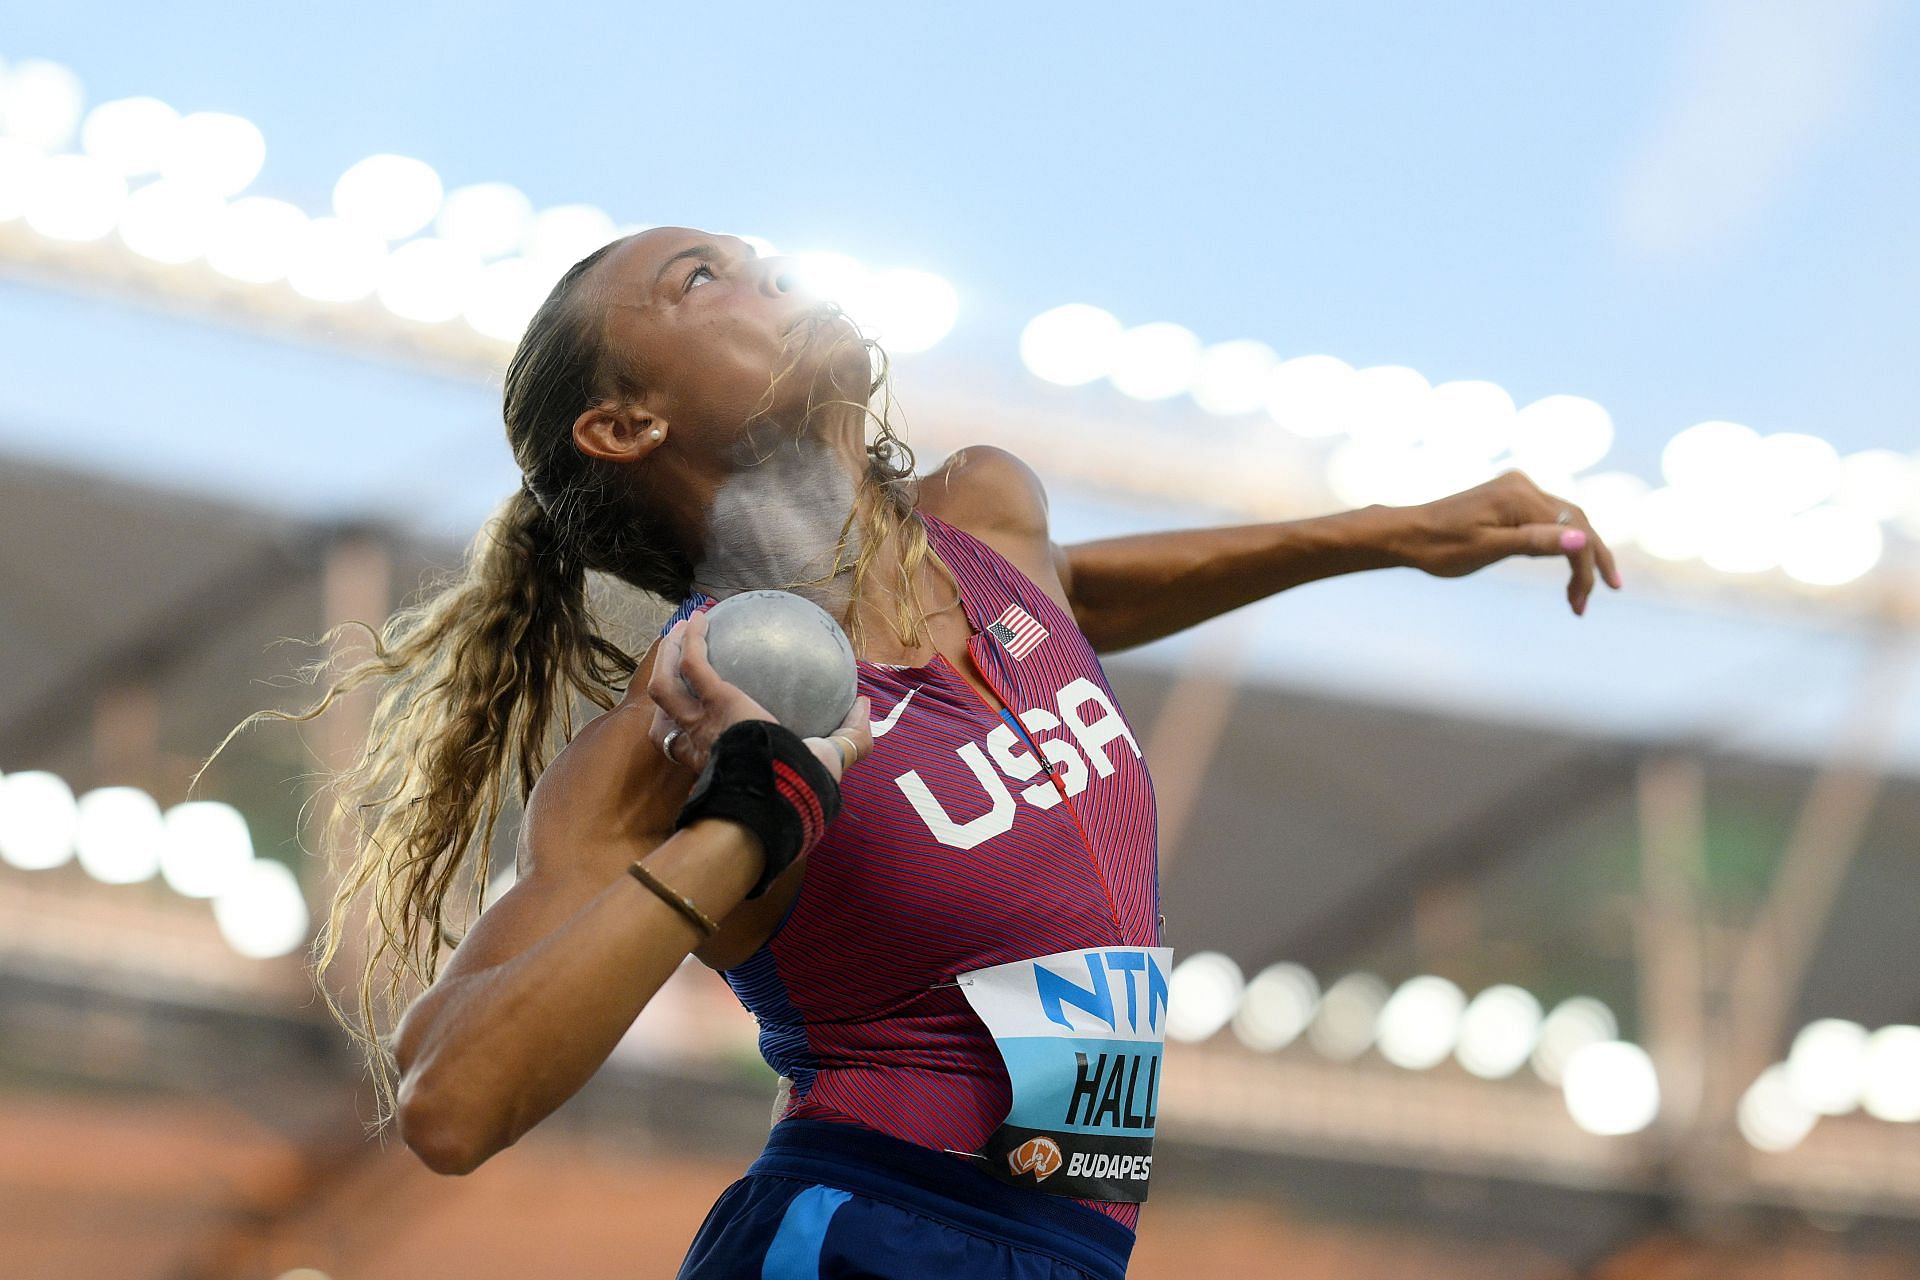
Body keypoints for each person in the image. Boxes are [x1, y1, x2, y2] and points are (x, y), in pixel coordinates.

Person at [230, 226, 1620, 1279]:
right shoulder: (695, 716)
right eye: (702, 281)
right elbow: (451, 1105)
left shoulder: (987, 525)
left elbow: (1077, 604)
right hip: (871, 1232)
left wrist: (1386, 534)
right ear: (624, 425)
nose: (765, 274)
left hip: (1069, 1247)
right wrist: (749, 823)